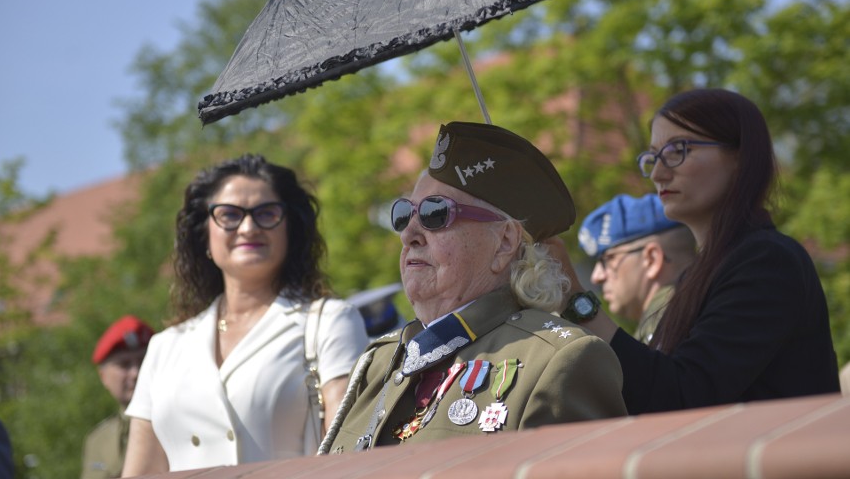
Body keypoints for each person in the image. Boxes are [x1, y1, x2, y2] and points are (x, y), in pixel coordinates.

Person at [321, 122, 626, 454]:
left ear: (504, 241)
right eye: (404, 214)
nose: (409, 233)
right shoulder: (378, 360)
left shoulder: (557, 361)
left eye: (435, 213)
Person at [567, 89, 840, 414]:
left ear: (740, 157)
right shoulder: (701, 274)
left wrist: (576, 300)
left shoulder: (766, 261)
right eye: (653, 157)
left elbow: (682, 396)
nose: (658, 173)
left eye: (678, 150)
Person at [123, 154, 369, 474]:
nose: (249, 227)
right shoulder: (164, 347)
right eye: (229, 215)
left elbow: (351, 459)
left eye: (267, 213)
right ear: (205, 238)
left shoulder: (329, 323)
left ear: (290, 231)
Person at [578, 193, 696, 344]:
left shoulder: (670, 321)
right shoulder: (689, 308)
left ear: (652, 259)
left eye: (608, 259)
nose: (597, 276)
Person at [81, 315, 154, 479]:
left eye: (143, 361)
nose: (136, 373)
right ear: (103, 376)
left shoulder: (172, 424)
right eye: (124, 364)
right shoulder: (98, 439)